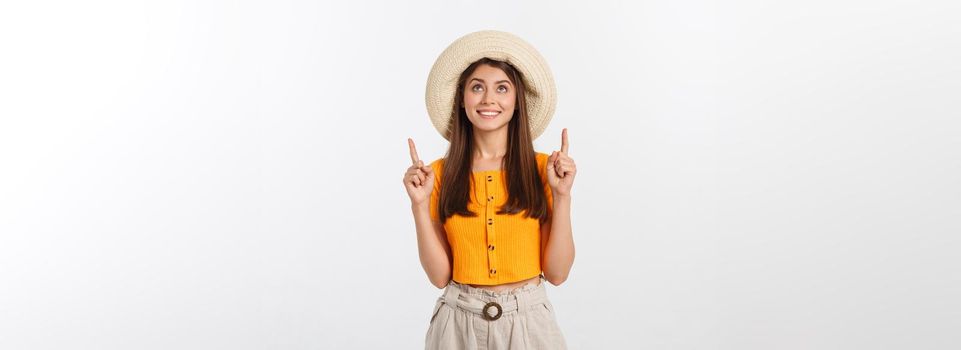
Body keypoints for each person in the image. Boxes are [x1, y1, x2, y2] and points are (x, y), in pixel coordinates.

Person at [403, 30, 576, 349]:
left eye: (502, 88)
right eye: (477, 87)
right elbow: (440, 277)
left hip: (529, 323)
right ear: (462, 99)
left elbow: (558, 273)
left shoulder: (543, 171)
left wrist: (562, 196)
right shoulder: (439, 175)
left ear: (517, 101)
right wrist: (419, 205)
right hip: (457, 325)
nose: (488, 99)